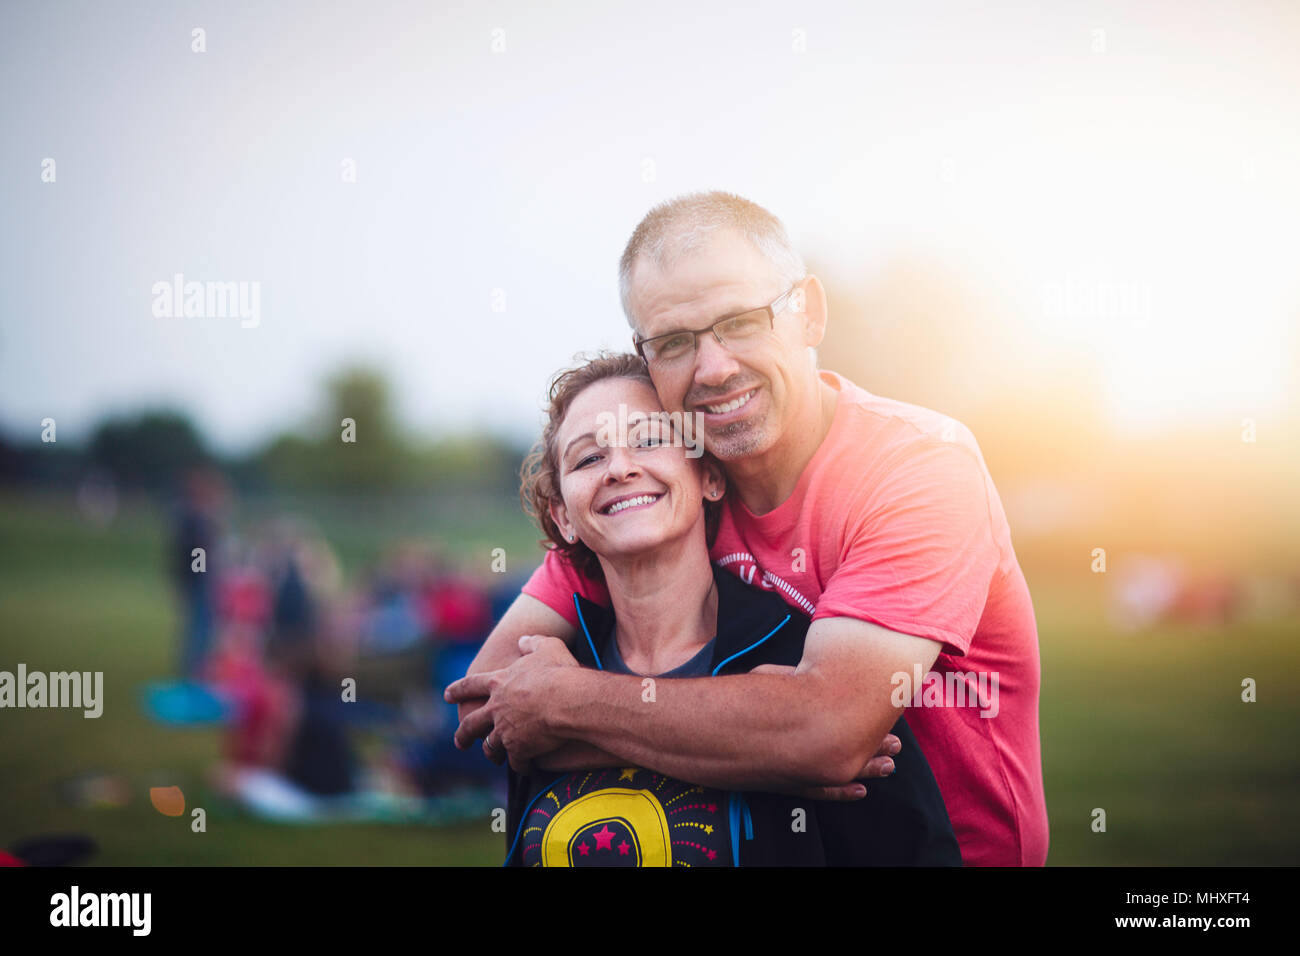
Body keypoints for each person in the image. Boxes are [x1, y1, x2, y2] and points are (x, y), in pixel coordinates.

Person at [448, 191, 1049, 866]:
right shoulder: (666, 490)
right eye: (675, 342)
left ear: (809, 313)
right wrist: (771, 751)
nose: (714, 368)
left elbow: (827, 734)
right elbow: (495, 708)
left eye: (740, 321)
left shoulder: (919, 467)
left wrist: (572, 704)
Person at [504, 353, 959, 866]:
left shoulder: (805, 666)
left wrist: (787, 747)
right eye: (588, 459)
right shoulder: (538, 684)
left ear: (710, 479)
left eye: (650, 440)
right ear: (564, 518)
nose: (620, 468)